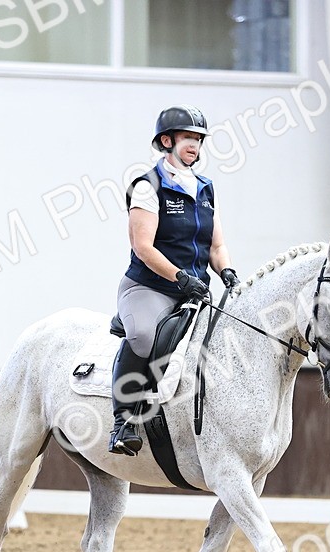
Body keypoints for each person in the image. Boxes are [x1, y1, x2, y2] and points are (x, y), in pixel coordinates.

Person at [109, 105, 239, 456]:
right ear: (167, 141)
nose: (195, 145)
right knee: (144, 335)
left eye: (198, 139)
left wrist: (226, 270)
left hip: (193, 291)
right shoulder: (148, 187)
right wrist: (181, 277)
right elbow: (143, 246)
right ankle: (123, 420)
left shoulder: (205, 188)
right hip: (150, 287)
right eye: (187, 139)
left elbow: (217, 244)